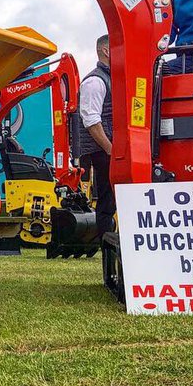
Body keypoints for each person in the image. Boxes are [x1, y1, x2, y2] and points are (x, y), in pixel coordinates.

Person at [78, 34, 115, 236]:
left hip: (110, 148)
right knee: (107, 200)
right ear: (106, 51)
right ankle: (106, 243)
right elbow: (91, 120)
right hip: (103, 150)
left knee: (113, 197)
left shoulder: (110, 78)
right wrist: (111, 150)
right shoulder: (94, 81)